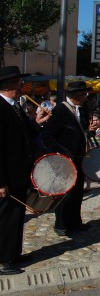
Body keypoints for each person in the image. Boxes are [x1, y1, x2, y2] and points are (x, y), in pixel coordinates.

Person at [40, 81, 94, 237]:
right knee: (65, 193)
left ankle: (75, 222)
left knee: (77, 191)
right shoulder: (60, 110)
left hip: (78, 157)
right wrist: (63, 153)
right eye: (83, 94)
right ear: (74, 95)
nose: (85, 97)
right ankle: (61, 224)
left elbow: (80, 130)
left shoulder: (81, 110)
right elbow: (47, 136)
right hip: (64, 160)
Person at [0, 66, 35, 274]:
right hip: (7, 176)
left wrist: (36, 123)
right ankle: (3, 259)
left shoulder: (16, 105)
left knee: (17, 216)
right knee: (6, 217)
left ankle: (14, 253)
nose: (22, 85)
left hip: (19, 173)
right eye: (19, 82)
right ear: (7, 85)